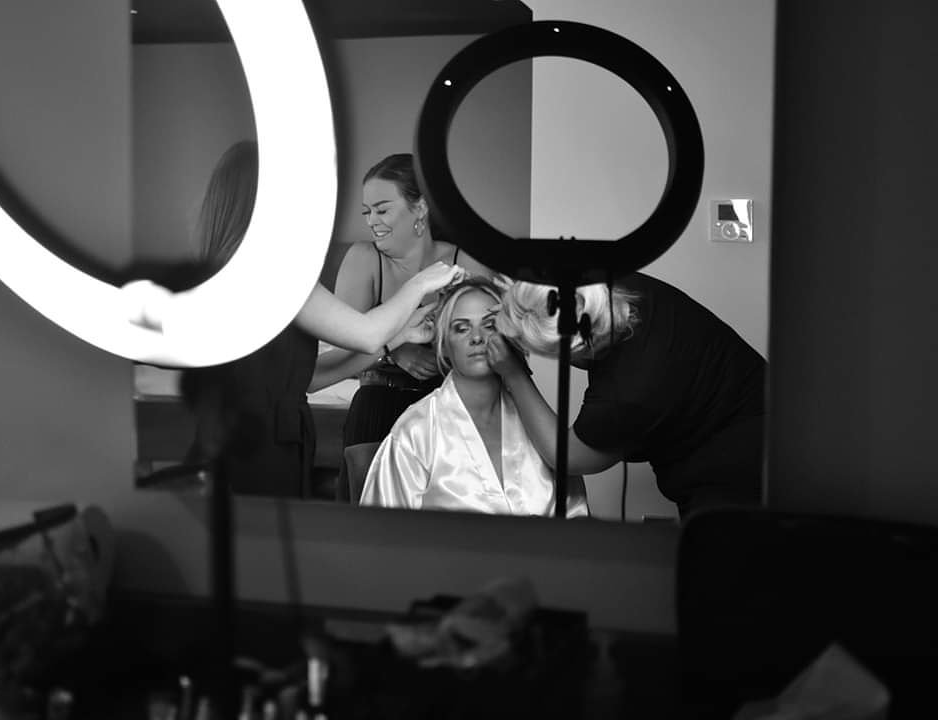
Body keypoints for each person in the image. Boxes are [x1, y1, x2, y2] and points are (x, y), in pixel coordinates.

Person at [123, 141, 464, 497]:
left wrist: (395, 340)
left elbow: (306, 379)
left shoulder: (225, 274)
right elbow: (366, 333)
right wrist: (422, 282)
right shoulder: (278, 274)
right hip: (266, 447)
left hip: (241, 438)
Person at [489, 273, 766, 519]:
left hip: (740, 475)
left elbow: (567, 457)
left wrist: (514, 374)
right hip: (773, 414)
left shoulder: (628, 393)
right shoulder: (614, 284)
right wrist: (521, 307)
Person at [309, 153, 496, 451]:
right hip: (380, 403)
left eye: (382, 210)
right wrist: (396, 351)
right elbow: (337, 353)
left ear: (420, 207)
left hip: (451, 407)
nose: (372, 221)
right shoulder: (363, 260)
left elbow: (492, 344)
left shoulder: (466, 262)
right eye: (366, 212)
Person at [359, 277, 588, 517]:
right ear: (443, 345)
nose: (477, 337)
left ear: (510, 335)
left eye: (489, 325)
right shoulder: (416, 432)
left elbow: (576, 524)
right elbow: (384, 538)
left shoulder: (539, 427)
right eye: (461, 328)